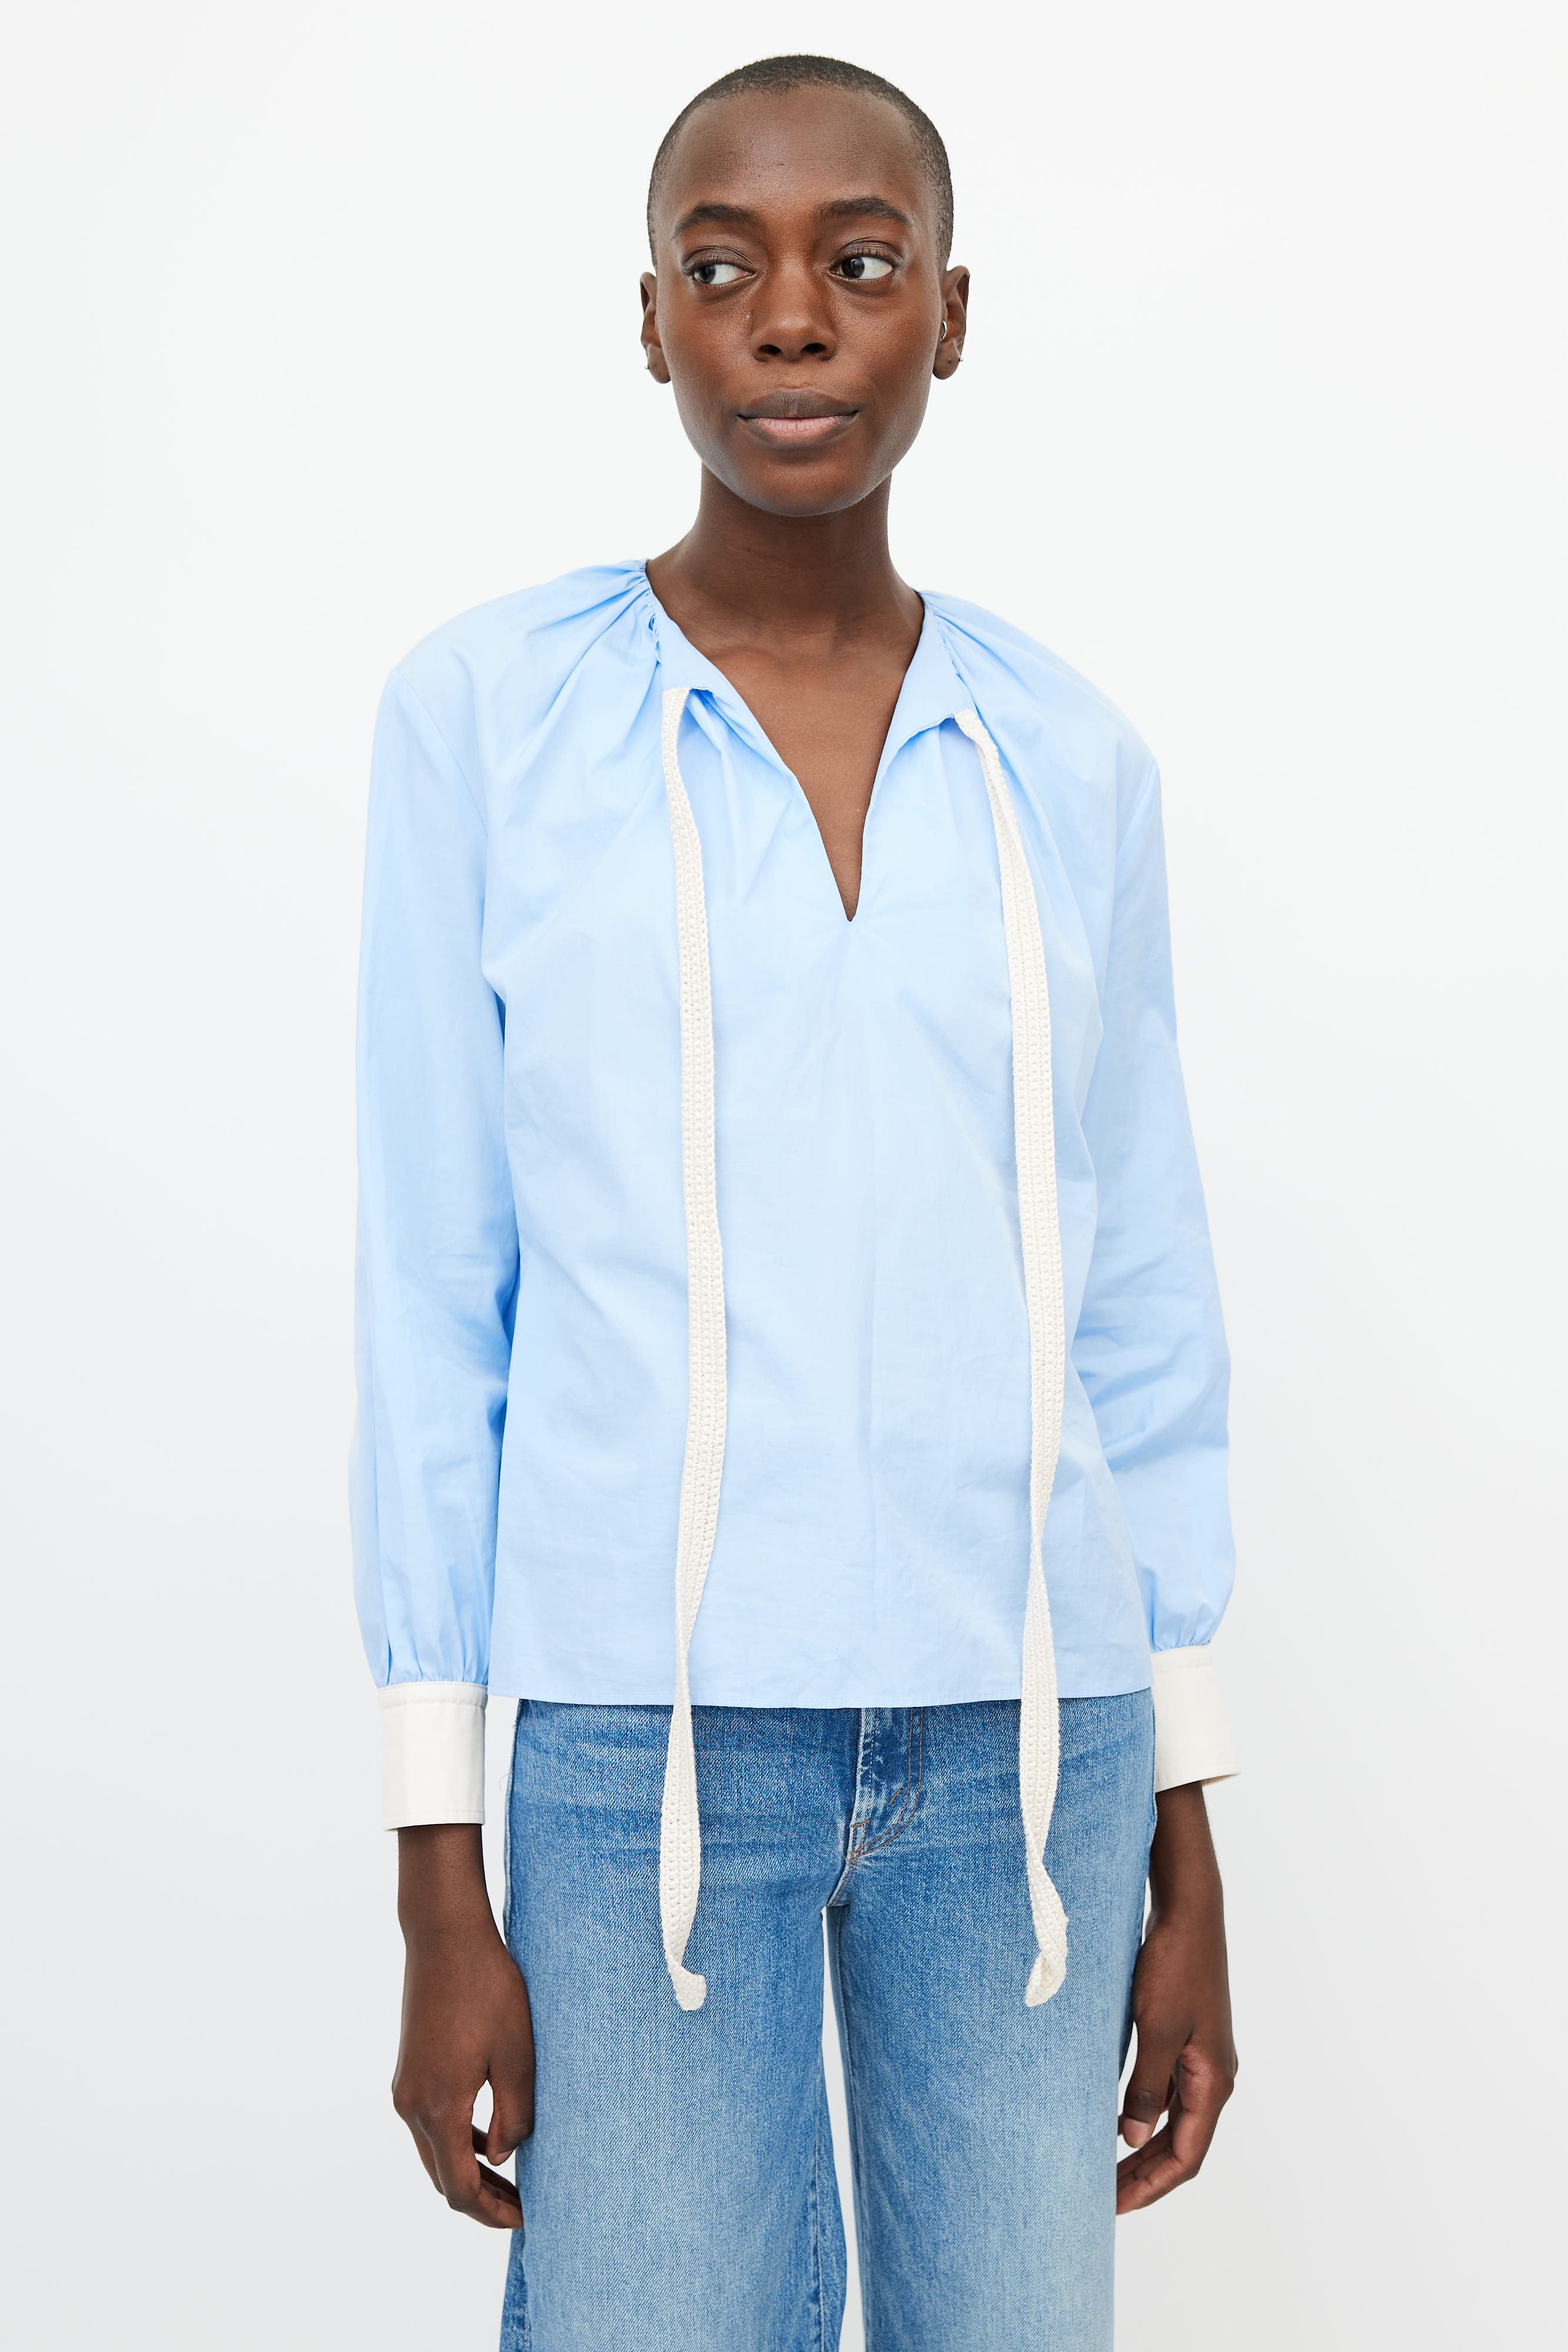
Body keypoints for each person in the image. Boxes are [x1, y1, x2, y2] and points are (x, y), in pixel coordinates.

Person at [353, 52, 1239, 2352]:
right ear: (648, 318)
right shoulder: (493, 719)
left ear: (949, 311)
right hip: (636, 1754)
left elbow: (1139, 1303)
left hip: (1025, 1760)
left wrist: (1188, 1828)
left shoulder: (1068, 758)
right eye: (720, 265)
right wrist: (437, 1862)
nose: (789, 318)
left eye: (857, 261)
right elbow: (435, 1292)